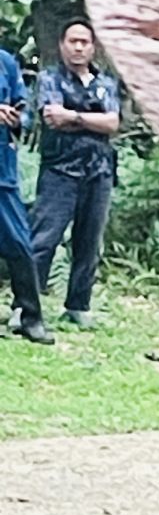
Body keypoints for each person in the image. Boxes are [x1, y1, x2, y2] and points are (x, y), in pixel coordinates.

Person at [28, 17, 120, 328]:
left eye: (85, 42)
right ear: (62, 45)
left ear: (93, 47)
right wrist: (92, 118)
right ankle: (25, 306)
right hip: (60, 170)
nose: (79, 47)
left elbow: (113, 124)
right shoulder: (50, 78)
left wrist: (74, 115)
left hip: (100, 170)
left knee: (89, 240)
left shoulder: (106, 83)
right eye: (73, 41)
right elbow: (53, 117)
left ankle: (78, 306)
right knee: (44, 238)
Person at [0, 48, 52, 344]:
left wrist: (15, 118)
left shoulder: (6, 63)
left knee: (20, 244)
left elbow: (27, 112)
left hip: (3, 172)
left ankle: (30, 316)